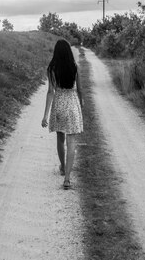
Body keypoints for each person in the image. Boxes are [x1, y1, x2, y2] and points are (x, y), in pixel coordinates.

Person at [41, 39, 83, 190]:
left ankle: (63, 167)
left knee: (60, 139)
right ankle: (67, 179)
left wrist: (45, 116)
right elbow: (79, 90)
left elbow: (50, 92)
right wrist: (81, 104)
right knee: (71, 142)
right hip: (72, 105)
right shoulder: (75, 67)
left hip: (58, 106)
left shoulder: (51, 68)